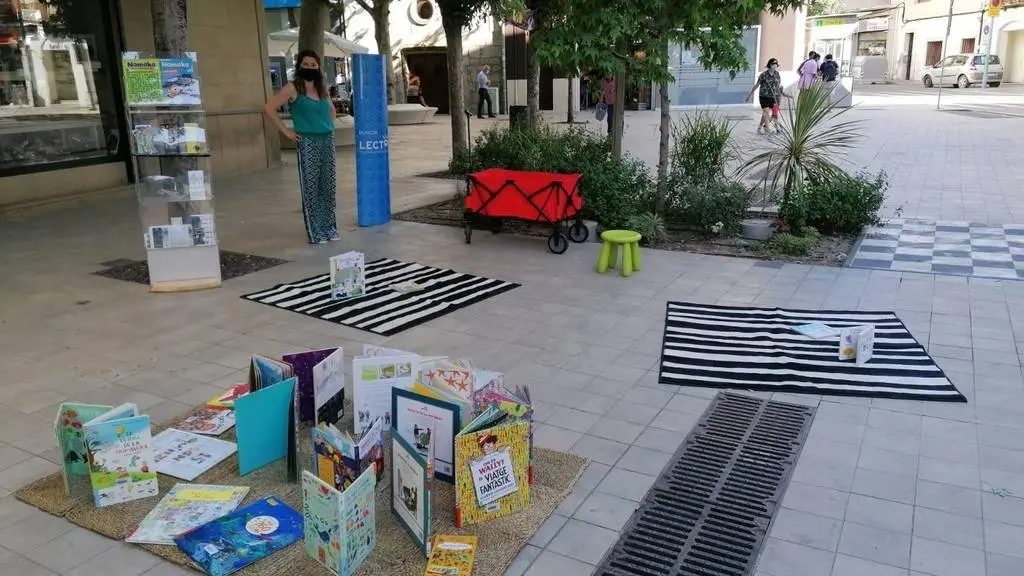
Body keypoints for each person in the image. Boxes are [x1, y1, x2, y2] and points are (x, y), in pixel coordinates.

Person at [264, 49, 339, 245]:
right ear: (299, 66)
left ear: (318, 67)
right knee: (311, 188)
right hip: (308, 141)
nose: (310, 67)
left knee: (328, 187)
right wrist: (286, 131)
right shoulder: (292, 88)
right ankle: (316, 232)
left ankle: (329, 227)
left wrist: (329, 126)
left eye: (313, 65)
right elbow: (269, 107)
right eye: (306, 64)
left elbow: (331, 109)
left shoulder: (322, 87)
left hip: (327, 140)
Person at [746, 57, 791, 134]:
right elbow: (757, 85)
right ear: (770, 64)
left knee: (773, 114)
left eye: (776, 64)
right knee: (766, 113)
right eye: (774, 63)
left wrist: (782, 94)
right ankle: (768, 129)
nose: (775, 65)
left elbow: (778, 86)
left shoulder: (777, 74)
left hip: (772, 97)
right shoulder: (763, 75)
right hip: (763, 96)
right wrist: (750, 95)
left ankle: (760, 127)